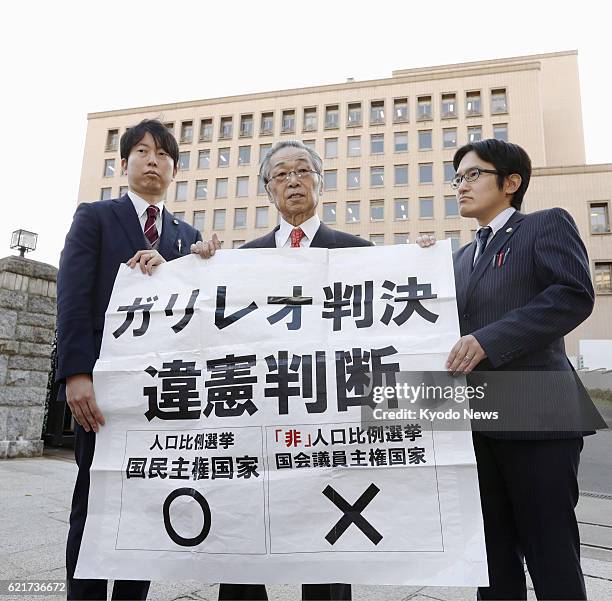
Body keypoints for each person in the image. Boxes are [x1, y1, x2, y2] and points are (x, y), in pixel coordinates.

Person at [418, 138, 603, 600]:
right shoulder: (456, 259)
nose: (461, 185)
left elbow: (572, 294)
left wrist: (490, 340)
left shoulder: (545, 226)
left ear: (511, 182)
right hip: (473, 422)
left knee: (550, 551)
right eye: (457, 177)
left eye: (473, 174)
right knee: (490, 556)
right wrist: (415, 266)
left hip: (537, 414)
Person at [192, 140, 371, 601]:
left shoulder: (360, 253)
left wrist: (422, 258)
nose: (293, 180)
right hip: (258, 412)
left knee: (329, 531)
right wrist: (190, 266)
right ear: (268, 191)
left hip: (325, 415)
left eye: (302, 171)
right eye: (281, 175)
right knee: (247, 523)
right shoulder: (239, 260)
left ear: (320, 181)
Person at [56, 119, 202, 600]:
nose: (153, 161)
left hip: (163, 395)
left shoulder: (188, 236)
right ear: (124, 163)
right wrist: (76, 374)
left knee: (145, 502)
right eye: (142, 151)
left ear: (175, 169)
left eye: (163, 154)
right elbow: (74, 298)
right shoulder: (95, 217)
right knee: (95, 499)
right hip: (102, 392)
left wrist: (207, 260)